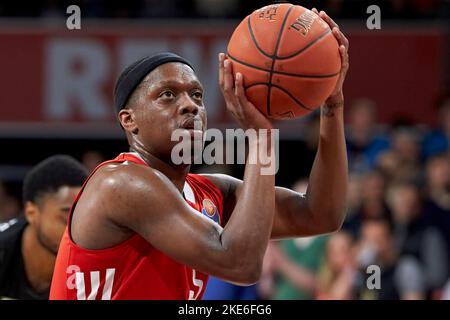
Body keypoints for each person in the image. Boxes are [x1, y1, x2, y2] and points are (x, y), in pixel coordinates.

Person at [50, 9, 349, 300]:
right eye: (168, 94)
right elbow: (240, 264)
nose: (190, 105)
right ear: (129, 120)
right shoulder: (120, 183)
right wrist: (261, 138)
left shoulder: (209, 192)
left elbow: (320, 215)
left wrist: (332, 105)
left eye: (196, 95)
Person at [0, 155, 88, 299]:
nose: (77, 230)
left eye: (83, 217)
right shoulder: (3, 251)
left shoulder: (93, 256)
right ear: (31, 212)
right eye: (66, 218)